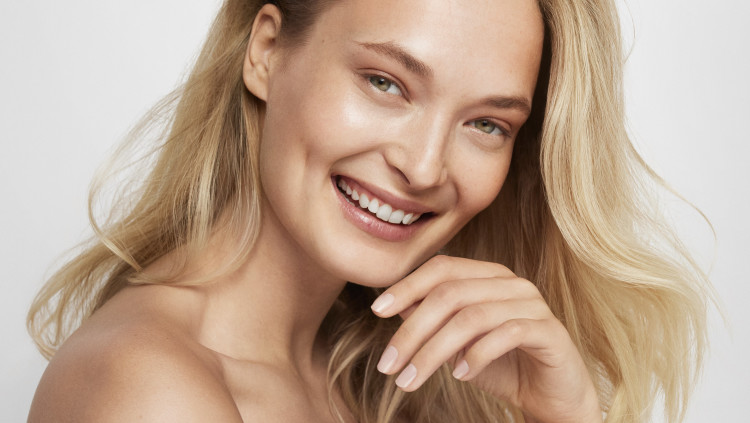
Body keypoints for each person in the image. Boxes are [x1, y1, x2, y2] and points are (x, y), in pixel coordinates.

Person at [26, 0, 712, 422]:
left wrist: (568, 416)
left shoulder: (388, 380)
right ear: (266, 52)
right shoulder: (149, 390)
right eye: (385, 82)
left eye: (486, 124)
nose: (424, 167)